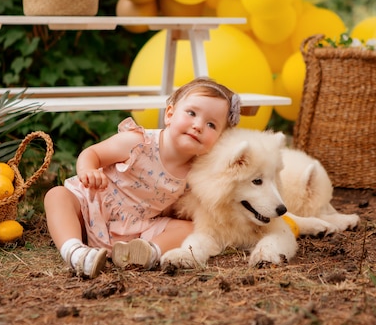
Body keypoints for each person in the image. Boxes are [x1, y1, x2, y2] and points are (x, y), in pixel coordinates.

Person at [43, 77, 242, 278]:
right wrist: (89, 170)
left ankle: (145, 252)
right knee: (57, 196)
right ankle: (75, 252)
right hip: (93, 206)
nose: (198, 125)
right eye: (191, 113)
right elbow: (93, 154)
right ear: (170, 114)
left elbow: (187, 209)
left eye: (211, 125)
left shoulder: (198, 172)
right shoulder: (139, 143)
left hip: (136, 228)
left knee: (190, 228)